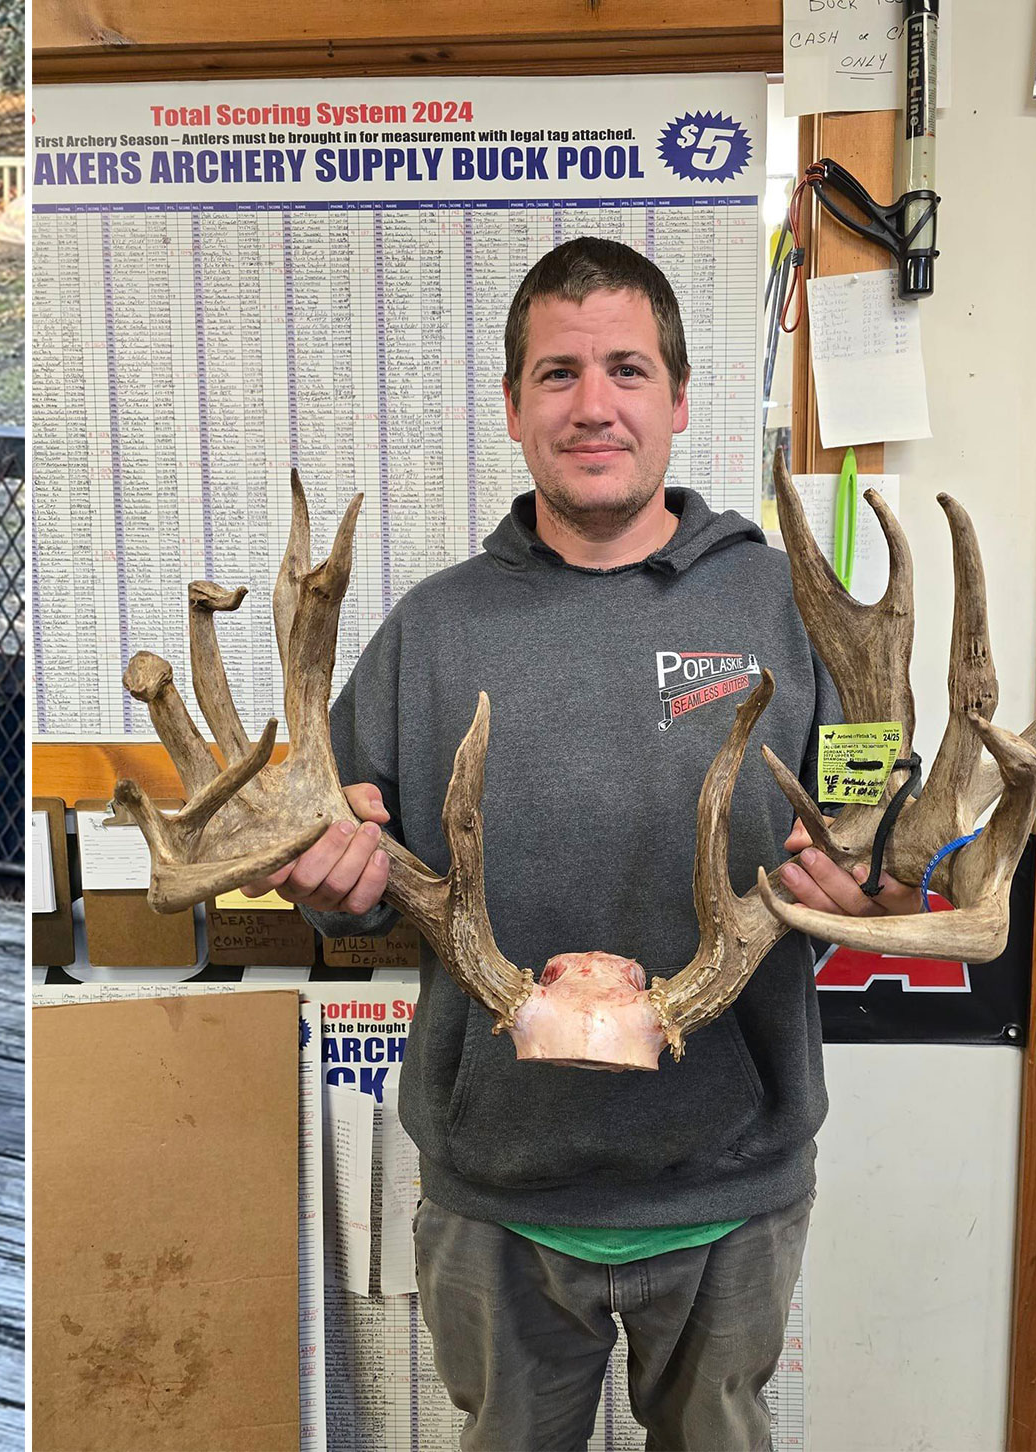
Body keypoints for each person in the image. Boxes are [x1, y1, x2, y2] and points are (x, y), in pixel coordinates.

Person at [263, 236, 913, 1449]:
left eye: (626, 368)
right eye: (558, 374)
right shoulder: (431, 631)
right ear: (512, 408)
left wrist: (877, 885)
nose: (594, 404)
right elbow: (341, 869)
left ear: (676, 397)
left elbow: (887, 835)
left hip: (729, 1185)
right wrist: (333, 884)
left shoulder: (788, 607)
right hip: (498, 1192)